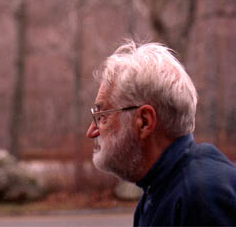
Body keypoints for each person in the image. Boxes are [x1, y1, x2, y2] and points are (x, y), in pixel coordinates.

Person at [86, 40, 236, 226]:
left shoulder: (200, 199)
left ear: (145, 122)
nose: (92, 131)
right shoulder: (160, 187)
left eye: (102, 116)